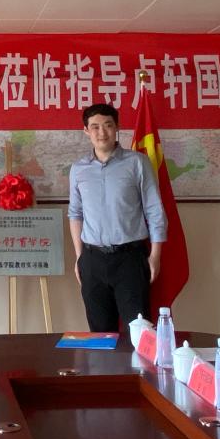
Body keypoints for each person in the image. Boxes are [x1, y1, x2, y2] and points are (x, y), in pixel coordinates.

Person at [68, 103, 167, 333]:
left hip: (130, 259)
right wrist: (80, 256)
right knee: (101, 335)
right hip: (92, 260)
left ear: (117, 127)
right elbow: (75, 213)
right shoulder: (78, 169)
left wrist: (155, 256)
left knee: (140, 333)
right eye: (95, 127)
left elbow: (154, 209)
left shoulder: (137, 163)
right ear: (86, 131)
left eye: (108, 125)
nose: (102, 132)